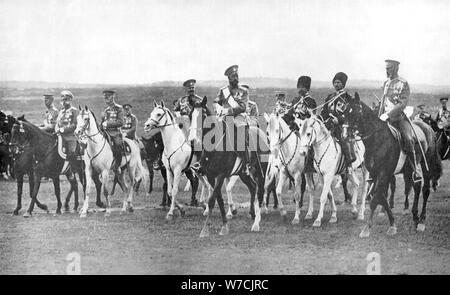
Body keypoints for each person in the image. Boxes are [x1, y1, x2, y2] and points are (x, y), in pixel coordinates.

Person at [378, 59, 421, 182]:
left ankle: (415, 171)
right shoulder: (386, 83)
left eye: (389, 68)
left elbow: (402, 104)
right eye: (386, 68)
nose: (387, 71)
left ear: (396, 68)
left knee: (408, 139)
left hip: (398, 118)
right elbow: (384, 102)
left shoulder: (403, 83)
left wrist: (389, 115)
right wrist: (380, 114)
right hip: (384, 119)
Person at [320, 72, 358, 166]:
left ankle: (348, 165)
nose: (336, 84)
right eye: (335, 82)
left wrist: (339, 119)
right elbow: (324, 112)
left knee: (343, 140)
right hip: (329, 124)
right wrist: (320, 119)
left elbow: (350, 114)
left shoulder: (348, 98)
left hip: (341, 126)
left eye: (338, 82)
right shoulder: (330, 97)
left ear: (343, 84)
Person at [100, 89, 124, 175]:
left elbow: (121, 122)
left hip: (115, 133)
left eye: (108, 97)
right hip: (105, 133)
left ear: (112, 97)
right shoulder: (105, 110)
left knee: (118, 145)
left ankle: (117, 165)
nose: (106, 98)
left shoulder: (119, 108)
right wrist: (100, 128)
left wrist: (108, 123)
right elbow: (102, 122)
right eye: (105, 97)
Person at [55, 90, 79, 169]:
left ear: (70, 100)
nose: (64, 102)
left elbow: (74, 124)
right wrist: (57, 129)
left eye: (66, 100)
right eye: (62, 100)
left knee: (71, 152)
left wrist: (63, 129)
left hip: (70, 136)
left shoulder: (74, 111)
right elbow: (58, 122)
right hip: (59, 136)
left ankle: (72, 169)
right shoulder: (61, 112)